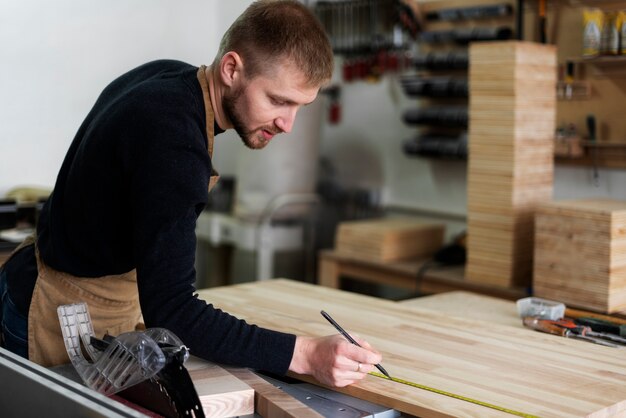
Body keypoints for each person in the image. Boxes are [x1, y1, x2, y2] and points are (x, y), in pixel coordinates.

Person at [0, 0, 382, 388]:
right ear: (231, 69)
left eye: (300, 106)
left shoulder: (171, 78)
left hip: (54, 282)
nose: (287, 124)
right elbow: (173, 311)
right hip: (57, 312)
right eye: (278, 100)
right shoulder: (175, 141)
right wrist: (305, 355)